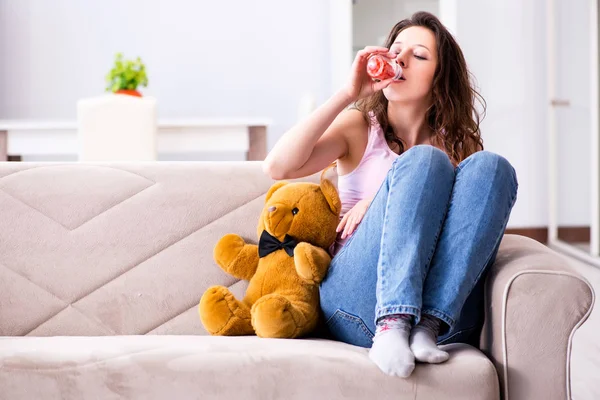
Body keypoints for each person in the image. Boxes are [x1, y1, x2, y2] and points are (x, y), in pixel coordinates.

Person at [262, 11, 518, 378]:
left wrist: (384, 197)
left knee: (493, 167)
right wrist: (349, 93)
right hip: (358, 302)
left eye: (419, 55)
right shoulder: (359, 128)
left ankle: (427, 325)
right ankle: (392, 324)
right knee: (424, 161)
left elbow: (464, 236)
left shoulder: (460, 147)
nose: (400, 60)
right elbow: (278, 167)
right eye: (396, 51)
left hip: (437, 316)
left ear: (439, 78)